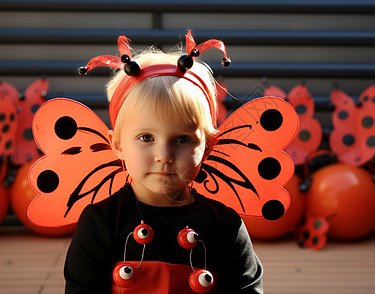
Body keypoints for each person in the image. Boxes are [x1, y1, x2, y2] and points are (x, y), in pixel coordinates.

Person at [63, 32, 264, 293]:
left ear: (208, 147)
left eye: (181, 139)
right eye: (146, 137)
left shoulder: (225, 226)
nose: (164, 155)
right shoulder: (101, 223)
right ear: (118, 144)